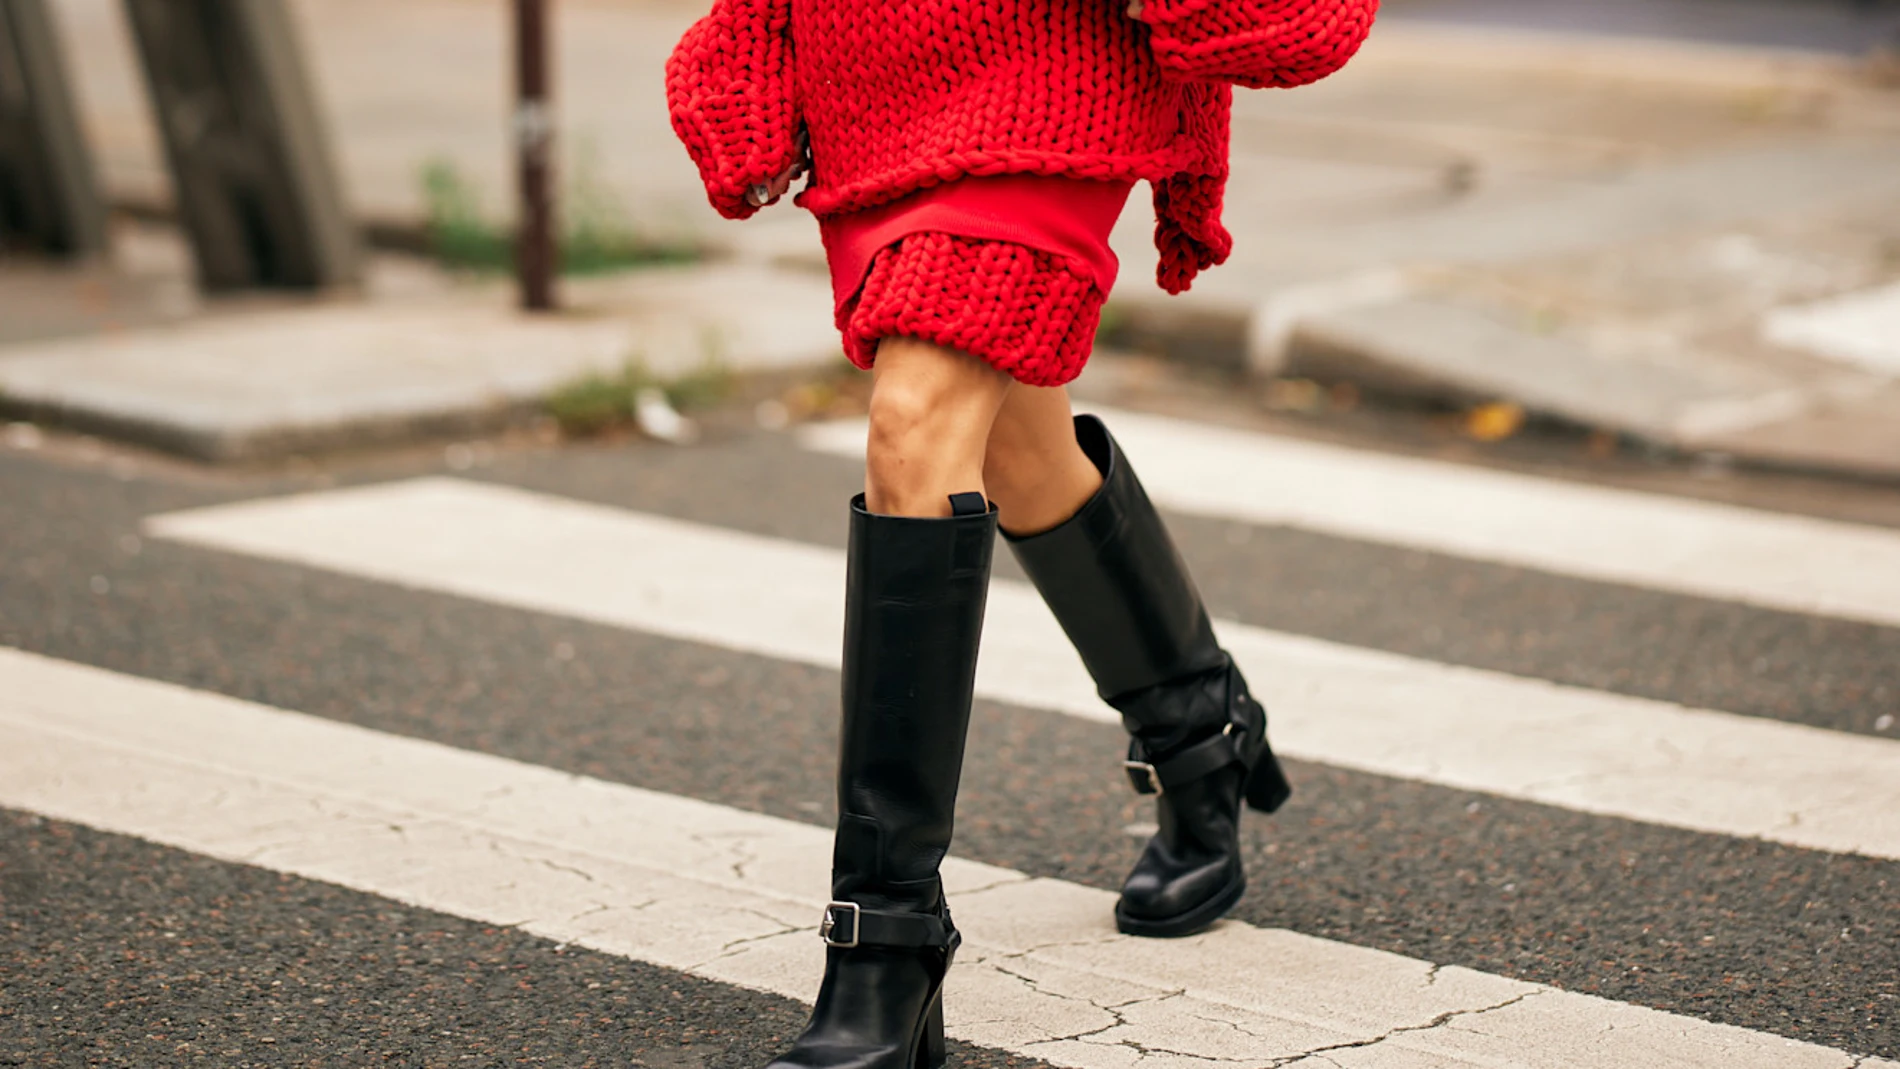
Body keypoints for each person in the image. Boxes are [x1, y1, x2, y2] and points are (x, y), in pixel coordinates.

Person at [666, 1, 1377, 1065]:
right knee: (1019, 452)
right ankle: (1199, 734)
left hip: (1049, 76)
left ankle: (885, 946)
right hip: (877, 85)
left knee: (915, 426)